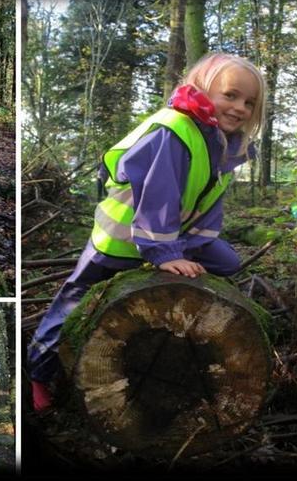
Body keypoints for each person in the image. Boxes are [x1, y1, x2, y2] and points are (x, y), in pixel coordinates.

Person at [26, 52, 267, 412]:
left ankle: (178, 254)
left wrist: (196, 245)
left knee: (227, 261)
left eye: (249, 102)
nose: (240, 108)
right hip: (120, 238)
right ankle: (38, 371)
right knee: (74, 301)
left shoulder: (224, 145)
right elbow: (158, 195)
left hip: (174, 235)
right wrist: (165, 254)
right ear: (200, 89)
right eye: (230, 95)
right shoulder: (174, 130)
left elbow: (207, 203)